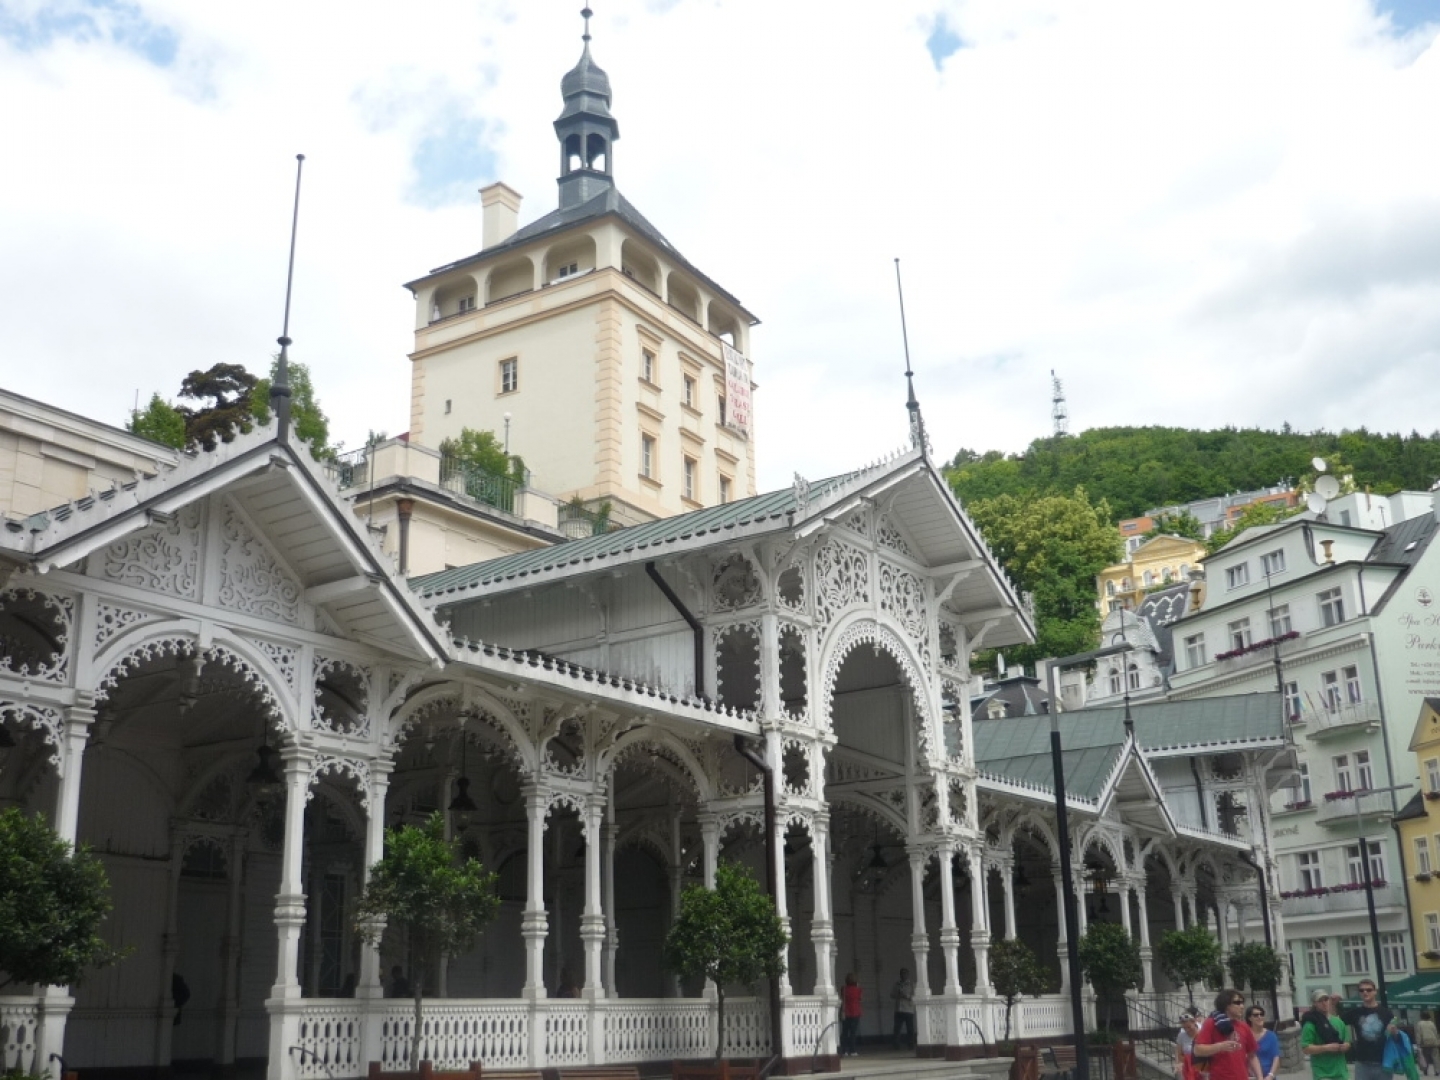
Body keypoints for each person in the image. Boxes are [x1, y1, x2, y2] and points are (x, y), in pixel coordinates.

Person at [1193, 989, 1263, 1080]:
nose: (1242, 1006)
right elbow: (1197, 1050)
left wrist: (1260, 1077)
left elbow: (1252, 1055)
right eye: (1237, 1003)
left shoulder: (1244, 1026)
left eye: (1242, 1003)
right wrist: (1220, 1046)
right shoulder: (1211, 1023)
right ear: (1226, 1005)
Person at [1343, 978, 1398, 1080]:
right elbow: (1336, 1023)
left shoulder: (1386, 1013)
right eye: (1362, 990)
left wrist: (1394, 1032)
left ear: (1375, 992)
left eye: (1368, 990)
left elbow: (1395, 1038)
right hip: (1362, 1062)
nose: (1365, 992)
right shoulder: (1355, 1013)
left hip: (1383, 1062)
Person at [1300, 988, 1350, 1080]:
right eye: (1320, 1001)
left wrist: (1345, 1046)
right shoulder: (1310, 1024)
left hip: (1341, 1072)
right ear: (1314, 1004)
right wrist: (1326, 1048)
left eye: (1326, 999)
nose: (1324, 1003)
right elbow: (1305, 1048)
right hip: (1322, 1073)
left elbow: (1347, 1041)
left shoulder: (1339, 1022)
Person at [1246, 1004, 1279, 1080]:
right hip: (1250, 1076)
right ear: (1249, 1018)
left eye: (1262, 1014)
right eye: (1256, 1015)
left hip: (1268, 1076)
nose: (1259, 1017)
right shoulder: (1246, 1035)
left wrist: (1270, 1075)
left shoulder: (1271, 1036)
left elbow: (1276, 1057)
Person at [891, 968, 916, 1051]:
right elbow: (892, 995)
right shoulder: (897, 984)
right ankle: (896, 1045)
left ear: (908, 975)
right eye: (902, 973)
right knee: (897, 1028)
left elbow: (915, 996)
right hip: (898, 1009)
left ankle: (911, 1045)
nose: (903, 975)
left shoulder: (912, 985)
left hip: (908, 1009)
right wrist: (897, 995)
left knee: (910, 1028)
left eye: (905, 973)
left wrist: (906, 996)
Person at [1175, 1007, 1202, 1080]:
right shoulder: (1181, 1035)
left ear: (1194, 1022)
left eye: (1189, 1027)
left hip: (1201, 1066)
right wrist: (1178, 1064)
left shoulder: (1202, 1032)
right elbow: (1179, 1053)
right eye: (1184, 1028)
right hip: (1187, 1067)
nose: (1187, 1030)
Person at [840, 973, 862, 1057]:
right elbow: (860, 999)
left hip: (846, 1012)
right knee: (853, 1032)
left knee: (845, 1032)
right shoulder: (858, 989)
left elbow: (842, 998)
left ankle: (844, 1050)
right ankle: (853, 1050)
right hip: (855, 1012)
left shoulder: (844, 989)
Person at [1418, 1011, 1439, 1076]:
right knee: (1435, 1057)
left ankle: (1425, 1070)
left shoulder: (1420, 1023)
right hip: (1434, 1042)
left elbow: (1419, 1034)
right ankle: (1437, 1071)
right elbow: (1435, 1033)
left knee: (1425, 1057)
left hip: (1424, 1042)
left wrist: (1418, 1043)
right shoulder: (1432, 1023)